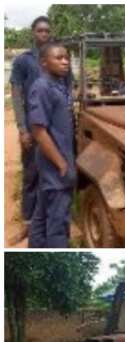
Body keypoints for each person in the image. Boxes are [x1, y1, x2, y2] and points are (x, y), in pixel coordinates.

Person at [10, 16, 57, 234]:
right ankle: (28, 224)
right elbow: (17, 96)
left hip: (54, 129)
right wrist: (22, 129)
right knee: (31, 175)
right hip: (32, 127)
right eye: (40, 31)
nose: (44, 34)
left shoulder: (57, 59)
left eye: (47, 31)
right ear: (33, 33)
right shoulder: (23, 61)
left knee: (52, 175)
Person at [27, 42, 76, 248]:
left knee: (42, 211)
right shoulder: (42, 87)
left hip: (56, 159)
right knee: (58, 218)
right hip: (55, 161)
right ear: (44, 63)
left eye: (66, 57)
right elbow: (39, 131)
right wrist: (62, 164)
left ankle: (36, 247)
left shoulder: (60, 85)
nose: (65, 61)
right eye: (59, 58)